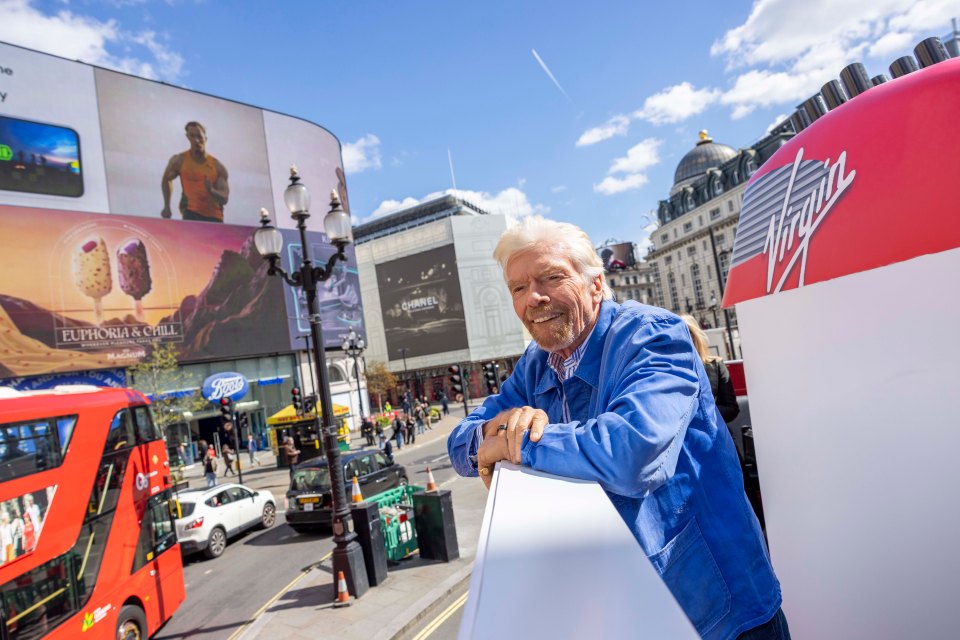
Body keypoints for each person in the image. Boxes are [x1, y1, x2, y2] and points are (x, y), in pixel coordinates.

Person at [447, 216, 786, 640]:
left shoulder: (655, 336)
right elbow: (460, 442)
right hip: (624, 607)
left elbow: (631, 453)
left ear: (595, 284)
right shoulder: (535, 366)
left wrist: (519, 445)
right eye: (518, 287)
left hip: (718, 612)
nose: (533, 297)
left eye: (551, 277)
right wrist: (488, 436)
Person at [160, 121, 230, 222]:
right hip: (191, 212)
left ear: (205, 139)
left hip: (215, 217)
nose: (196, 140)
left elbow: (224, 198)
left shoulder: (217, 166)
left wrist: (212, 191)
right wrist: (167, 206)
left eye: (199, 136)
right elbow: (166, 180)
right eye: (192, 136)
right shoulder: (179, 160)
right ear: (188, 137)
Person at [681, 315, 741, 425]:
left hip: (713, 434)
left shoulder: (716, 365)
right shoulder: (666, 369)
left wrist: (700, 413)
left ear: (696, 336)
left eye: (688, 332)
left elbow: (731, 409)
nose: (683, 338)